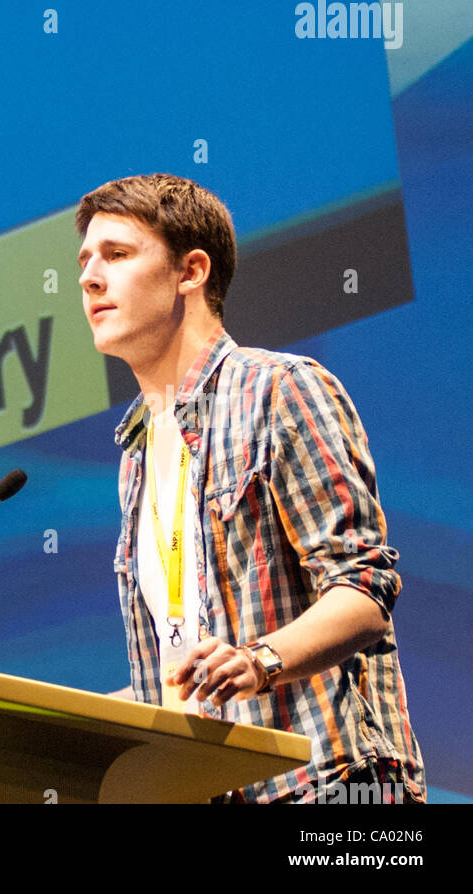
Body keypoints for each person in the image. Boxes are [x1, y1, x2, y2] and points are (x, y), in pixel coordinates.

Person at [75, 173, 424, 803]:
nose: (89, 278)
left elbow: (364, 591)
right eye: (85, 261)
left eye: (118, 255)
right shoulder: (137, 453)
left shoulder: (280, 389)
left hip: (330, 789)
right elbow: (182, 670)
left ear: (191, 272)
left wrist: (259, 660)